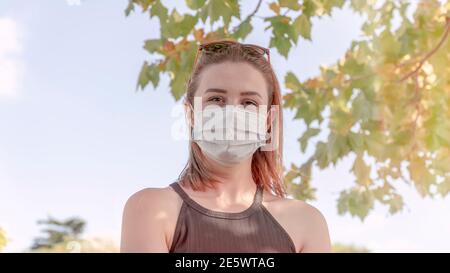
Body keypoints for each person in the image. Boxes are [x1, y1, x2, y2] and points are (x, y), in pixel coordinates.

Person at [120, 39, 331, 253]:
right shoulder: (150, 209)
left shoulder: (306, 223)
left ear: (268, 120)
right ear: (191, 114)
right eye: (216, 99)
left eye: (249, 103)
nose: (231, 113)